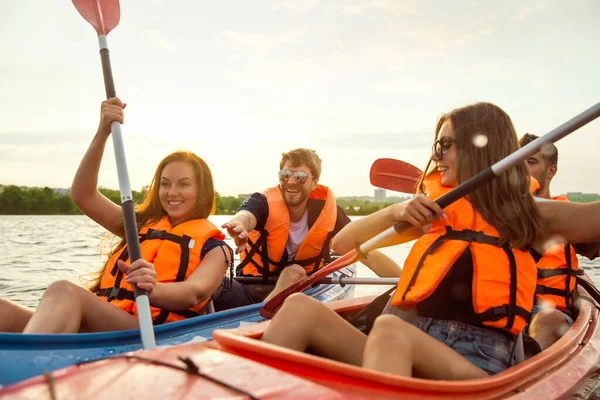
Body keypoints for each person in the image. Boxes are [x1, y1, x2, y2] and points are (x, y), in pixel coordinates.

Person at [259, 102, 600, 379]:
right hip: (408, 346)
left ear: (479, 148)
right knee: (299, 310)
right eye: (437, 146)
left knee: (390, 331)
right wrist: (397, 212)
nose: (436, 157)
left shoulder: (529, 214)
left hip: (478, 366)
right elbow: (343, 243)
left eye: (445, 146)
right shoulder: (440, 215)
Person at [0, 98, 233, 333]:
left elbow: (195, 293)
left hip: (151, 332)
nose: (172, 193)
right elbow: (83, 194)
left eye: (184, 184)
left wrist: (152, 288)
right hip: (107, 319)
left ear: (201, 190)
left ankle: (35, 366)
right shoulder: (137, 226)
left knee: (64, 290)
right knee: (3, 310)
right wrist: (103, 132)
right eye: (165, 184)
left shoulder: (215, 248)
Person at [212, 148, 400, 311]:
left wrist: (410, 284)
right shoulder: (263, 201)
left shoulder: (330, 213)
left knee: (294, 271)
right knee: (207, 274)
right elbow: (246, 215)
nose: (291, 181)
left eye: (301, 177)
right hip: (249, 288)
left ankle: (260, 321)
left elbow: (366, 251)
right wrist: (238, 225)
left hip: (302, 288)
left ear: (314, 183)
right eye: (285, 175)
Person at [520, 133, 600, 350]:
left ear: (551, 170)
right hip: (504, 312)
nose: (521, 169)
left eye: (530, 162)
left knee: (549, 319)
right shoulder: (495, 216)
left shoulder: (565, 218)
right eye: (515, 162)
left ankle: (529, 367)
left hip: (550, 314)